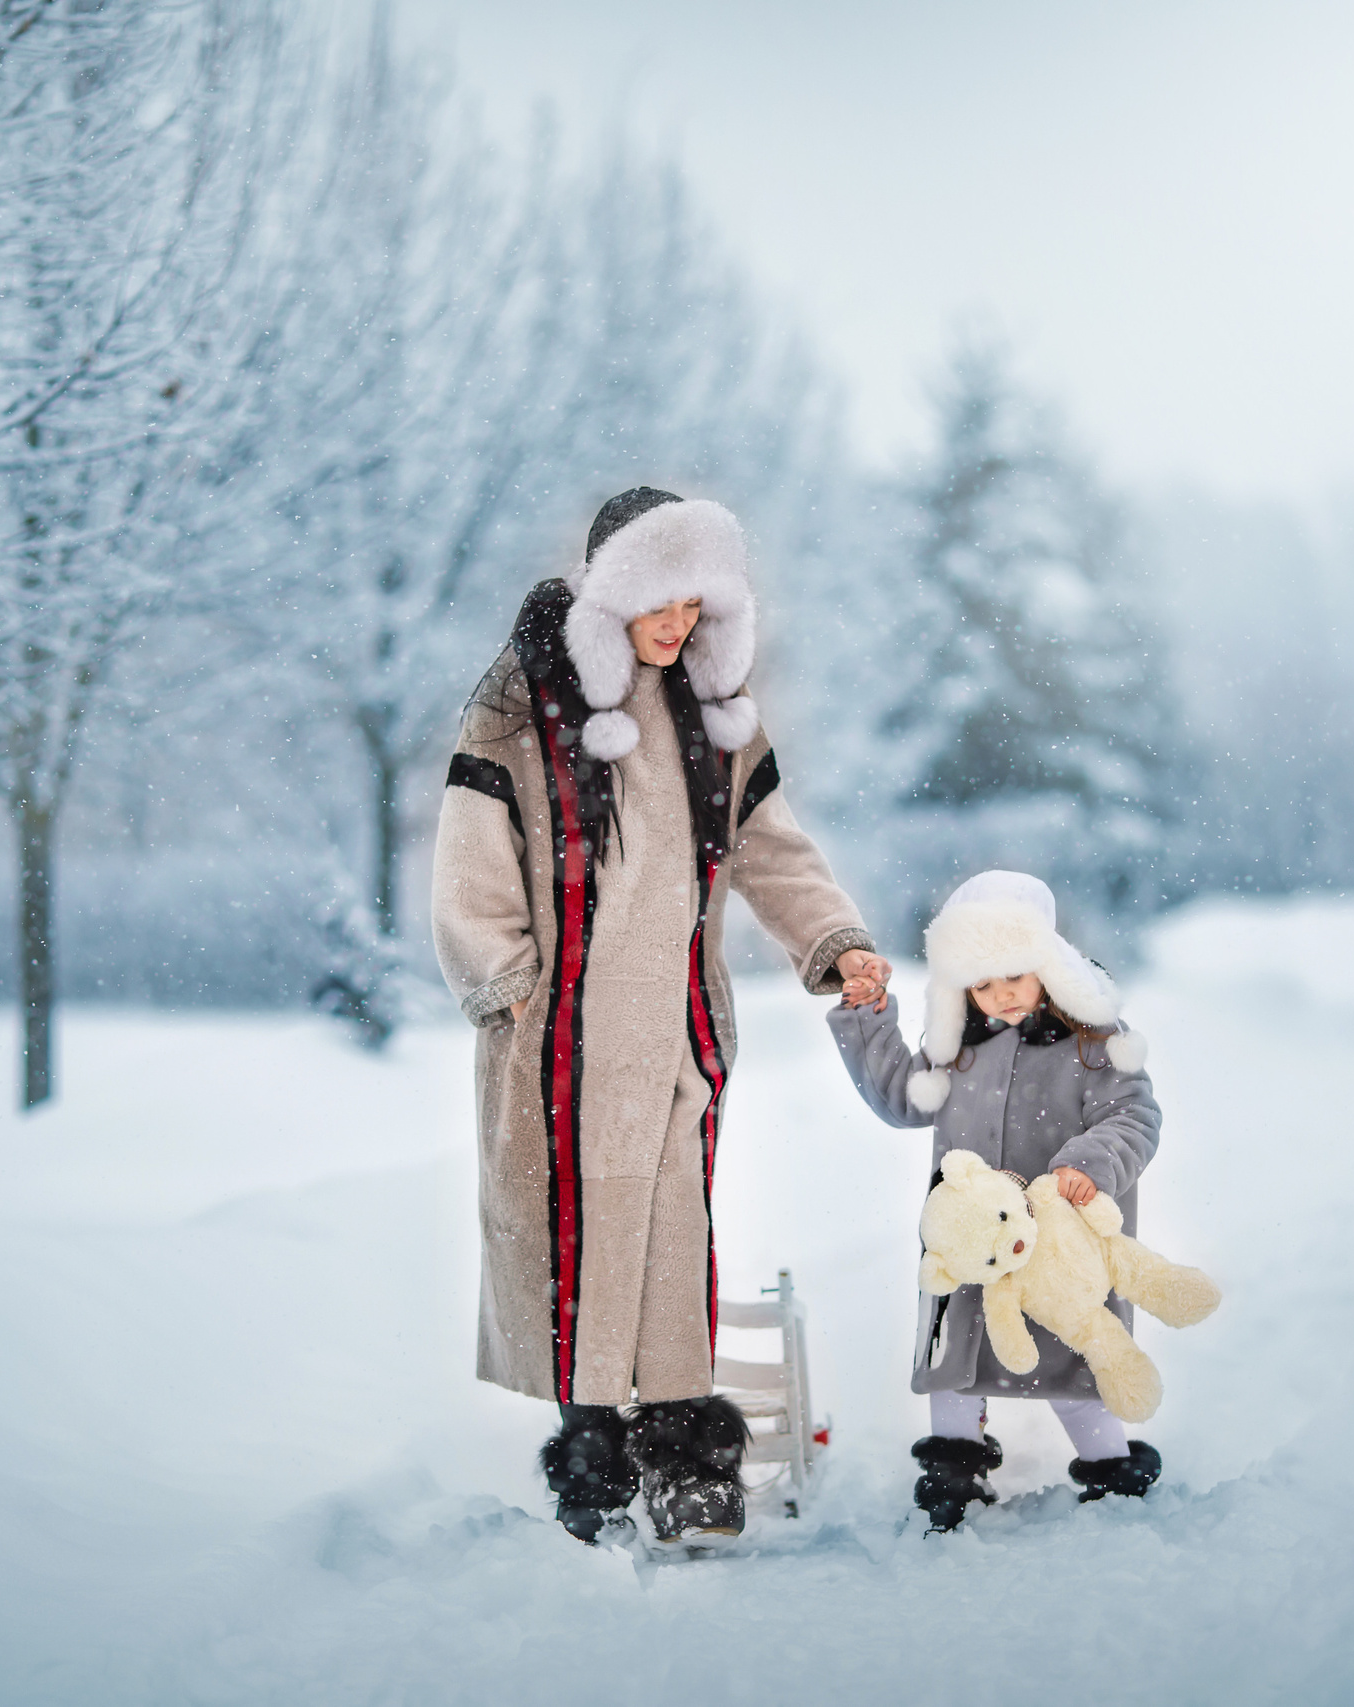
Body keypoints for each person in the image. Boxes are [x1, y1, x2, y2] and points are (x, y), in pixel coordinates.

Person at [431, 487, 893, 1545]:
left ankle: (687, 1457)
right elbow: (469, 857)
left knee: (669, 1242)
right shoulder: (520, 702)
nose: (678, 620)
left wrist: (835, 941)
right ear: (614, 588)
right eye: (660, 596)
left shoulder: (713, 711)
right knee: (575, 1244)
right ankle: (590, 1459)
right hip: (559, 1042)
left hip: (675, 1029)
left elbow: (772, 846)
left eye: (697, 599)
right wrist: (506, 987)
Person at [826, 869, 1164, 1531]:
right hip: (968, 1246)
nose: (1002, 994)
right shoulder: (958, 1053)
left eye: (1015, 974)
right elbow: (899, 1094)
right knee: (957, 1360)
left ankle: (1112, 1471)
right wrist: (869, 1017)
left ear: (1047, 966)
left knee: (1072, 1360)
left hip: (1059, 1241)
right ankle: (953, 1468)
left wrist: (1089, 1164)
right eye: (982, 983)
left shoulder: (1095, 1045)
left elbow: (1135, 1116)